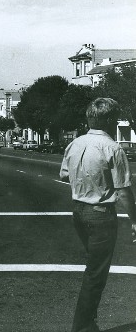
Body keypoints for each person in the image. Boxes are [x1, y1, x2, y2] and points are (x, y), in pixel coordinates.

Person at [59, 97, 136, 332]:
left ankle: (88, 323)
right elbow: (123, 192)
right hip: (101, 215)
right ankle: (82, 327)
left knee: (93, 268)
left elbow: (63, 174)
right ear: (110, 120)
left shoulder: (75, 144)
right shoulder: (112, 148)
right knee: (95, 274)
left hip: (79, 212)